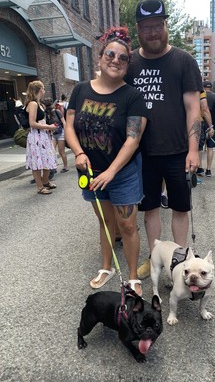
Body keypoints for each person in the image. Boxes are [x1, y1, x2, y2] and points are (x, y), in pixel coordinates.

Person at [65, 36, 149, 296]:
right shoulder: (80, 90)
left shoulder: (132, 95)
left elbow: (133, 139)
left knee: (127, 226)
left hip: (122, 174)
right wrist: (78, 152)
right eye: (110, 55)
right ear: (100, 58)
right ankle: (106, 267)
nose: (116, 60)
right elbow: (69, 126)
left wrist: (112, 172)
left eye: (123, 58)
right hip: (90, 173)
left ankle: (133, 275)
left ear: (127, 65)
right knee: (105, 222)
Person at [125, 0, 202, 279]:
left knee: (180, 209)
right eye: (147, 27)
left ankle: (180, 263)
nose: (153, 32)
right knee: (150, 210)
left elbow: (193, 108)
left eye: (158, 25)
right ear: (139, 29)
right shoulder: (130, 62)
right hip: (143, 154)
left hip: (179, 151)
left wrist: (194, 150)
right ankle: (154, 259)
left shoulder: (183, 61)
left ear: (165, 25)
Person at [25, 81, 58, 194]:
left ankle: (45, 182)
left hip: (43, 135)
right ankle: (40, 187)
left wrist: (48, 127)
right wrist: (48, 126)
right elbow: (32, 123)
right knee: (37, 162)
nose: (44, 91)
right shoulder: (33, 104)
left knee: (47, 159)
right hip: (36, 136)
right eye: (43, 88)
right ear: (39, 90)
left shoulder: (39, 104)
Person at [44, 98, 69, 173]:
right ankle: (53, 166)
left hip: (60, 133)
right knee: (51, 151)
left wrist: (66, 133)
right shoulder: (47, 114)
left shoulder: (57, 111)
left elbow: (64, 122)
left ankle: (65, 166)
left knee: (61, 151)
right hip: (53, 134)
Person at [196, 88, 215, 178]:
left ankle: (199, 168)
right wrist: (211, 126)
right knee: (199, 147)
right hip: (197, 121)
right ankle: (206, 169)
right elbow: (204, 108)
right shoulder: (200, 91)